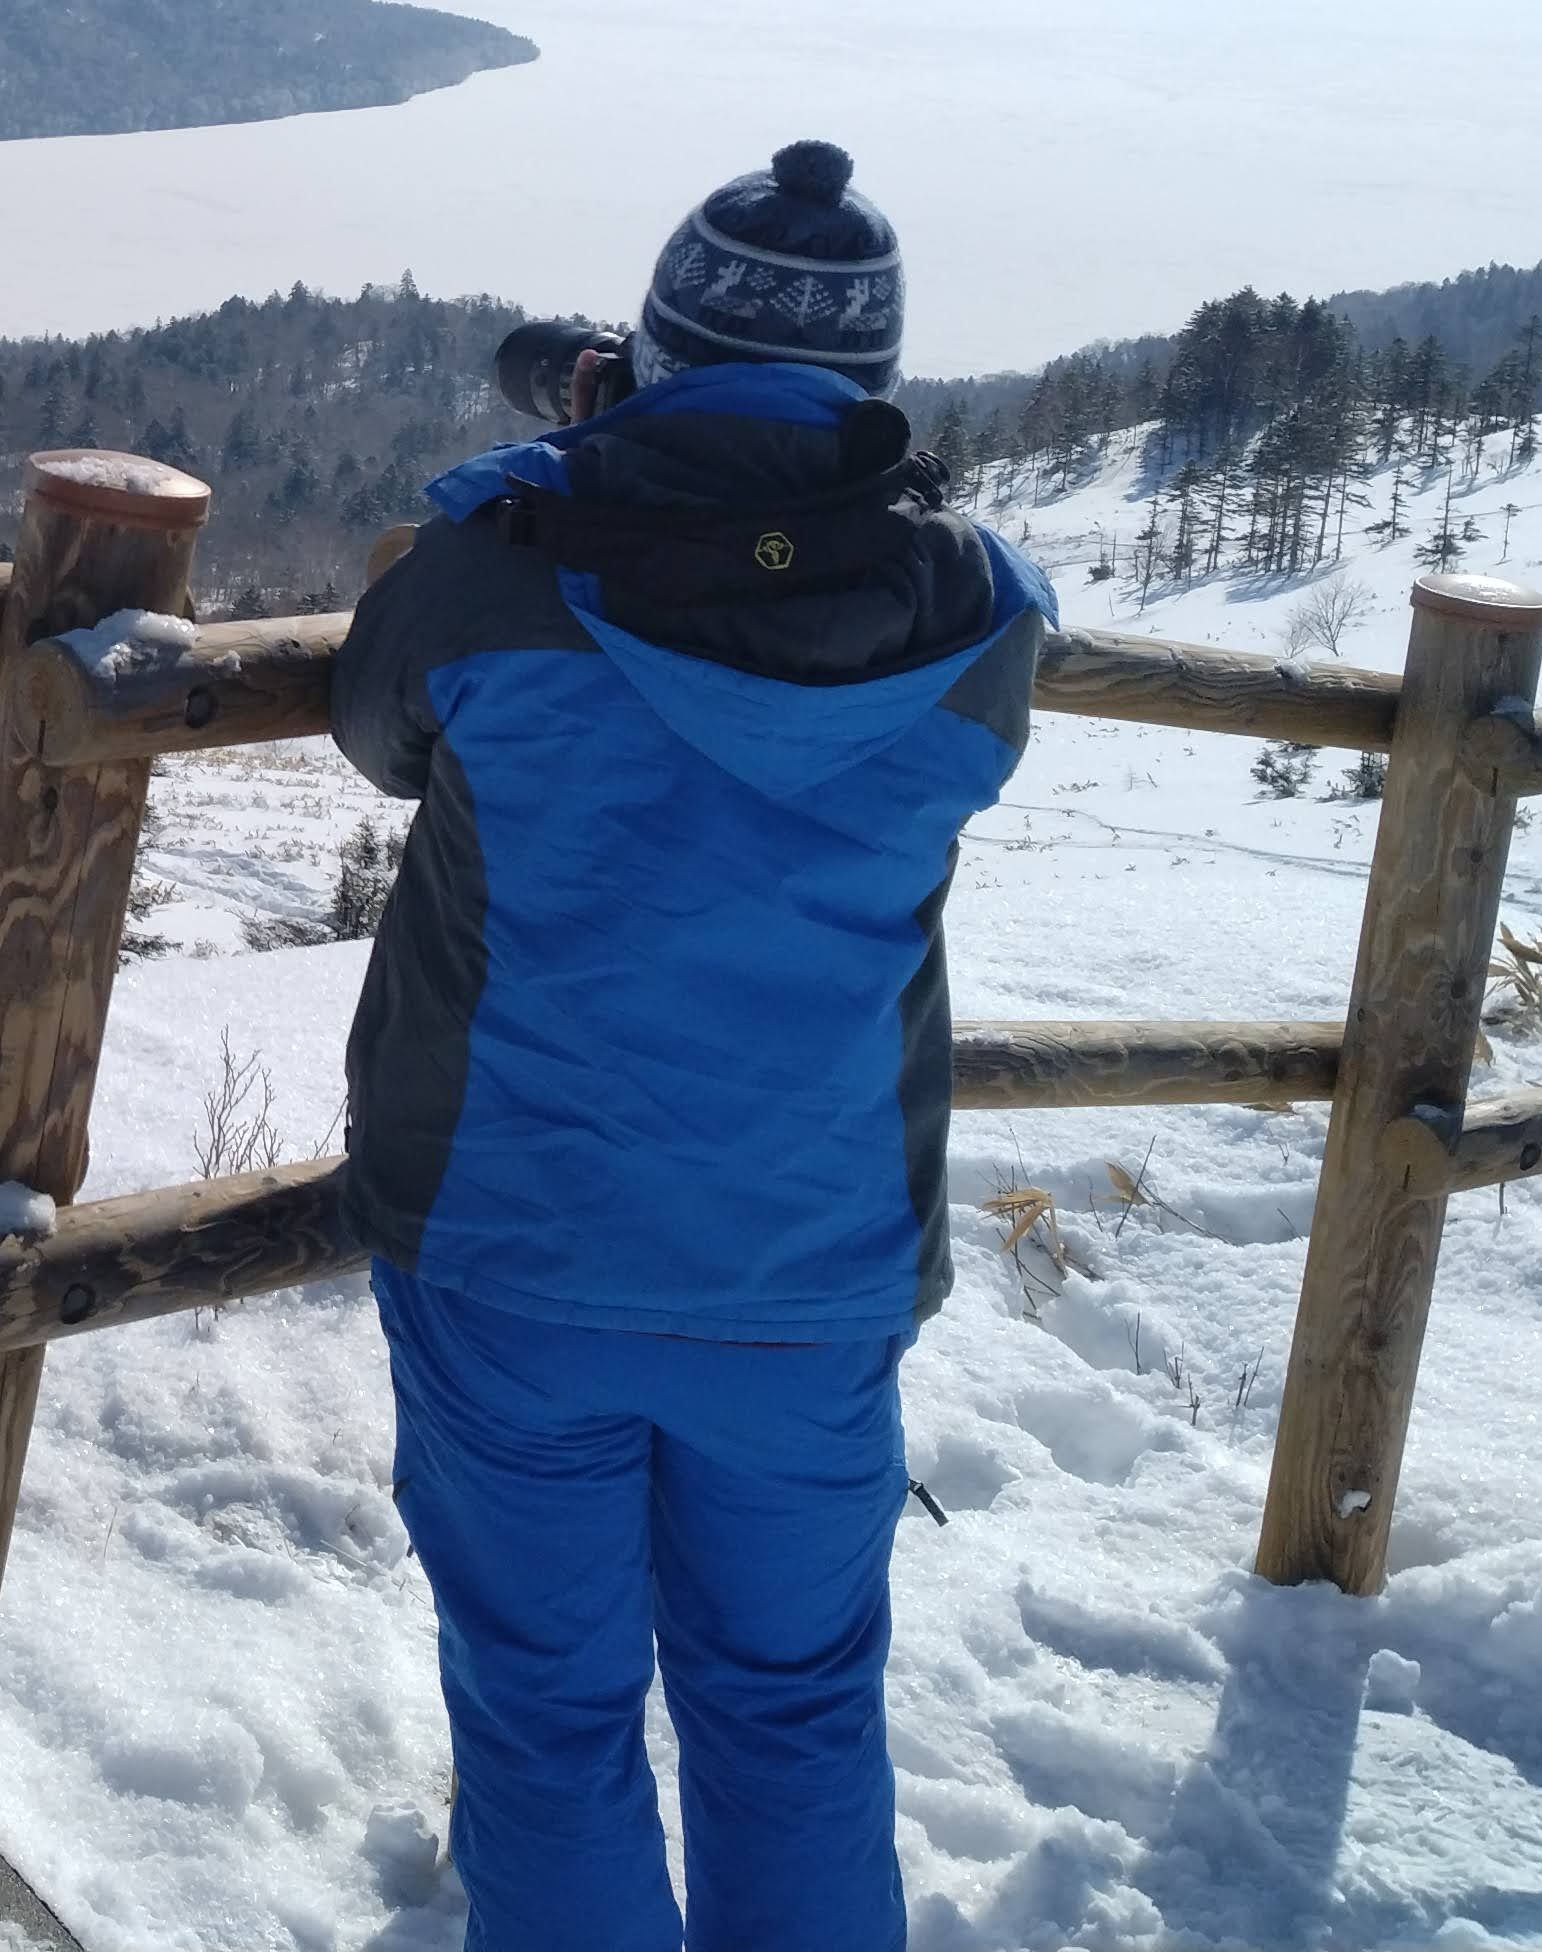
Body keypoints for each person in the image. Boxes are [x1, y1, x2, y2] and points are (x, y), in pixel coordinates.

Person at [331, 140, 1051, 1952]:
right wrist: (694, 455)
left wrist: (577, 454)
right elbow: (839, 572)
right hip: (812, 1270)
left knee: (550, 1717)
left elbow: (378, 726)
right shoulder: (977, 623)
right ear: (873, 389)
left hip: (515, 1243)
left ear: (645, 351)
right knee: (793, 1708)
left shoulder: (498, 573)